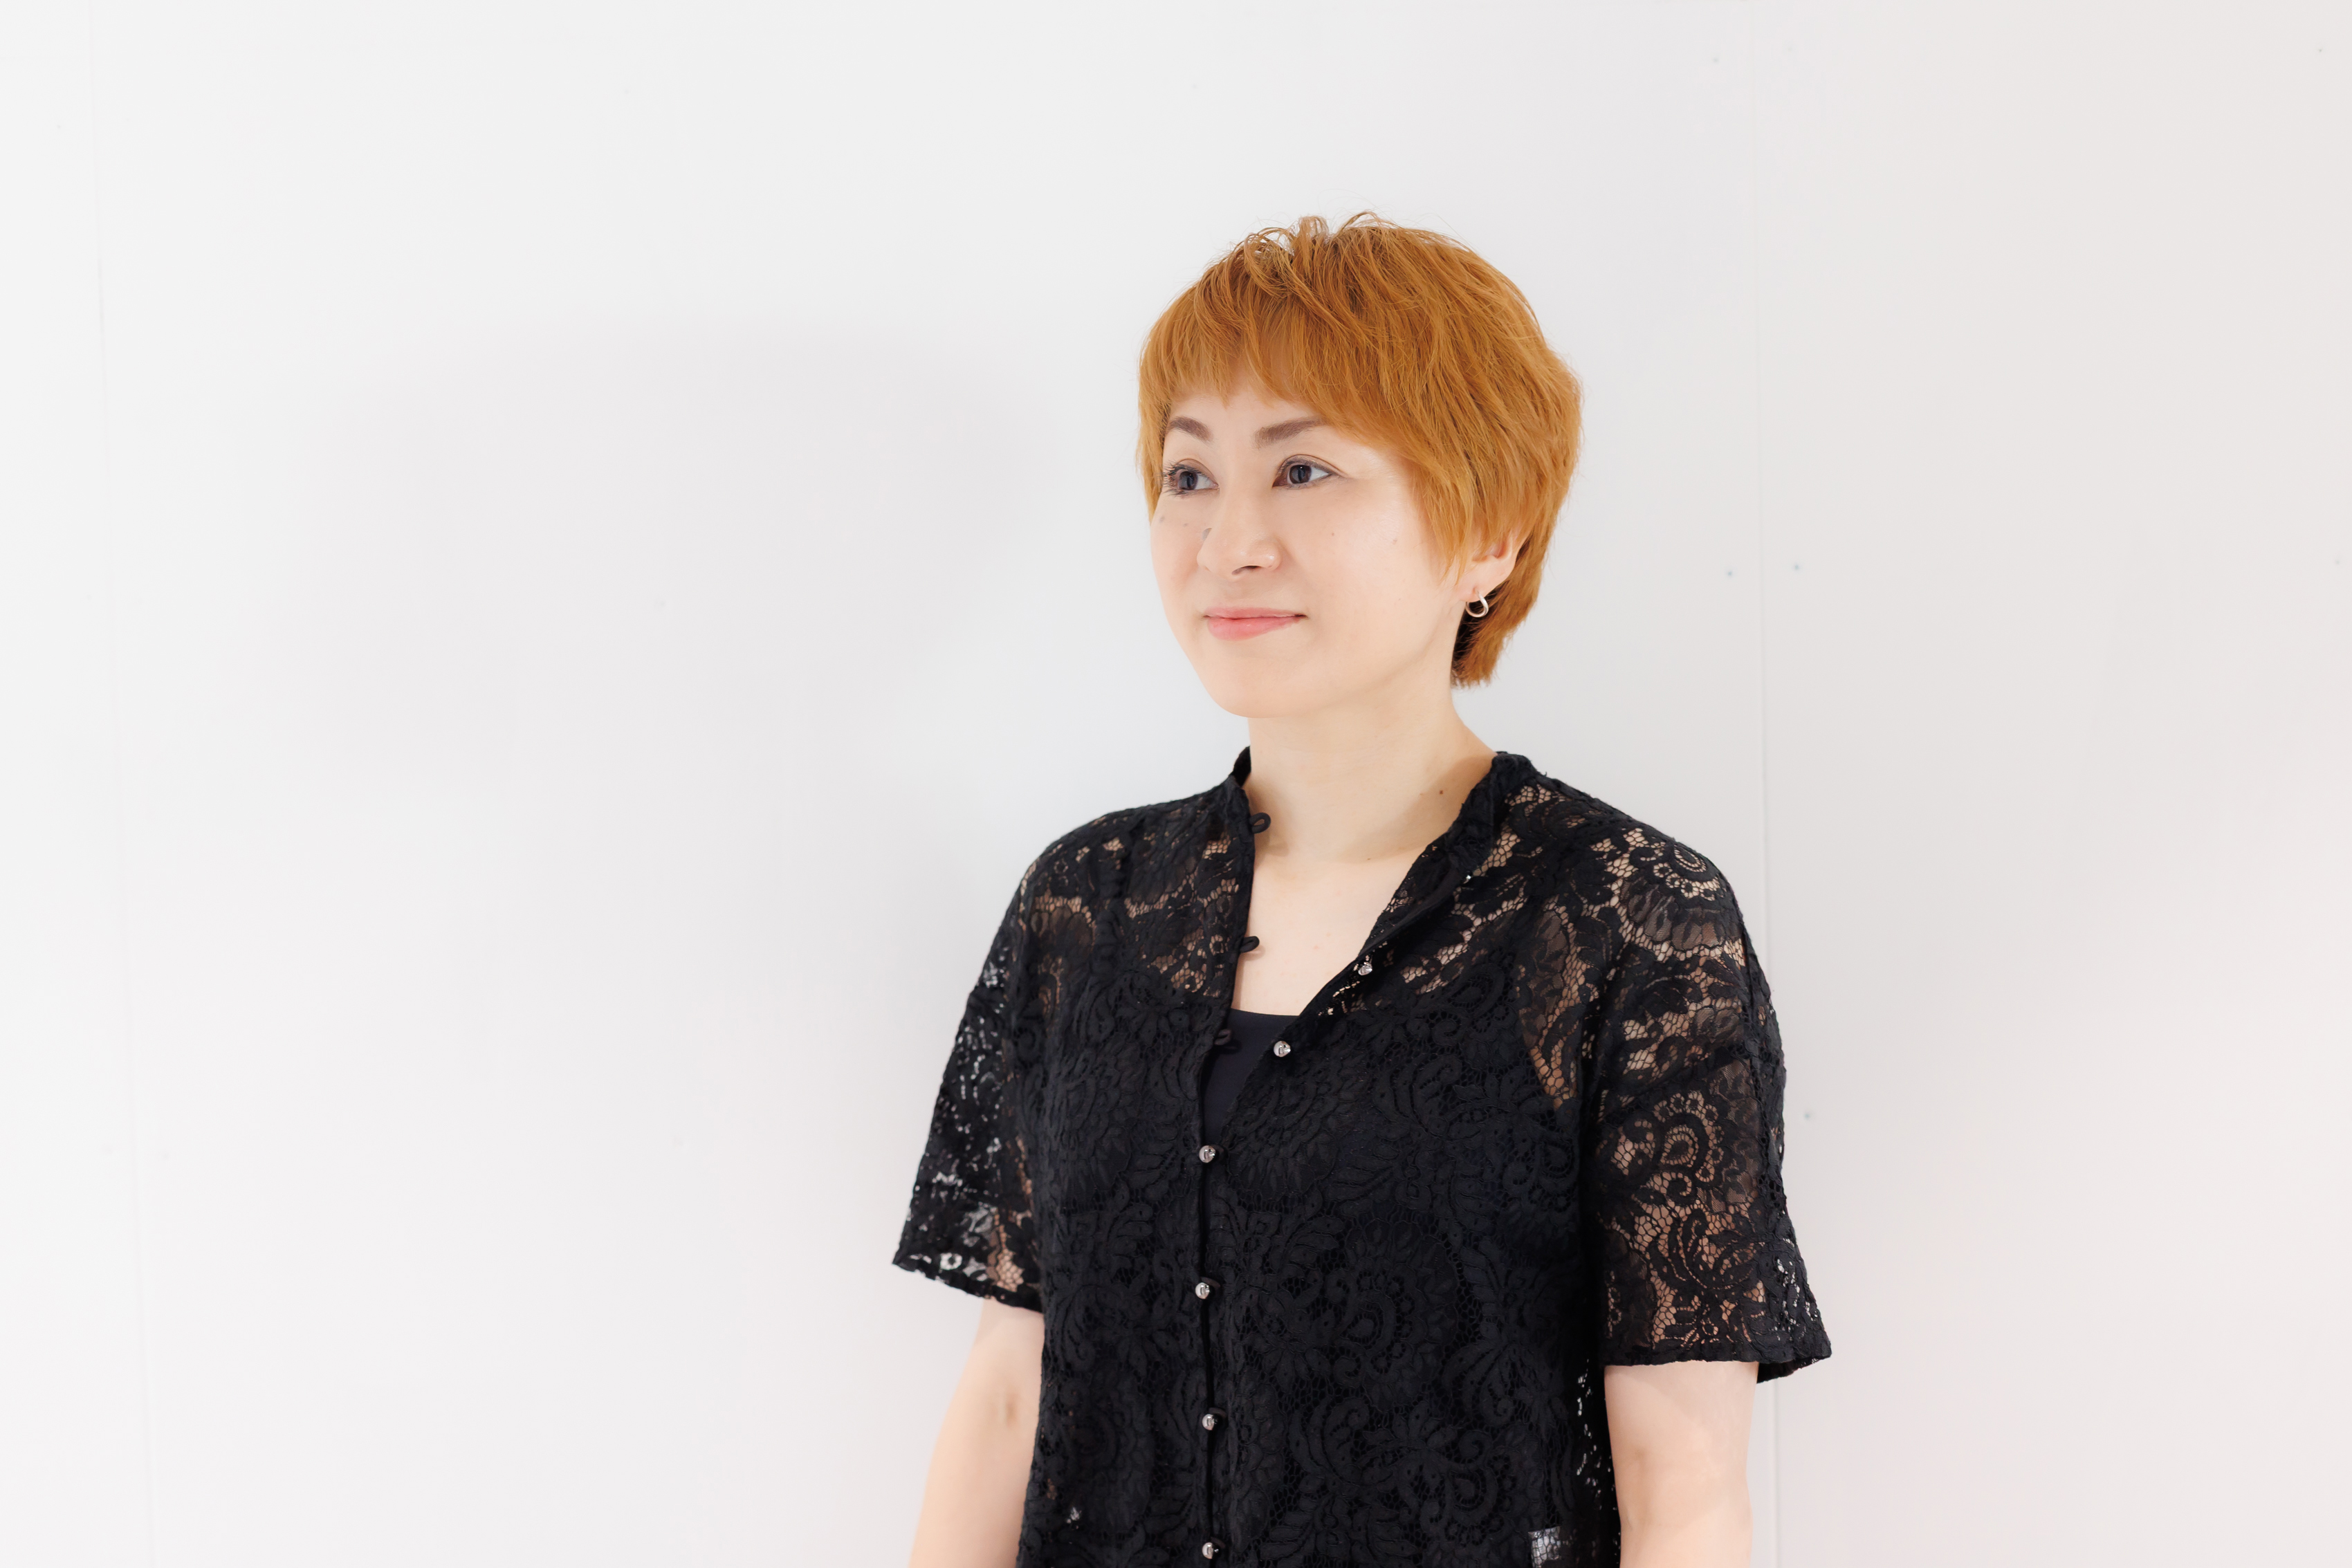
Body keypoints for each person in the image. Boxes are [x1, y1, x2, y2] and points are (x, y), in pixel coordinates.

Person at [892, 214, 1830, 1568]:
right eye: (1189, 474)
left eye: (1304, 469)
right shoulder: (1088, 904)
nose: (1227, 542)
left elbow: (1681, 1486)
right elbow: (1007, 1393)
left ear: (1488, 530)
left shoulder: (1622, 923)